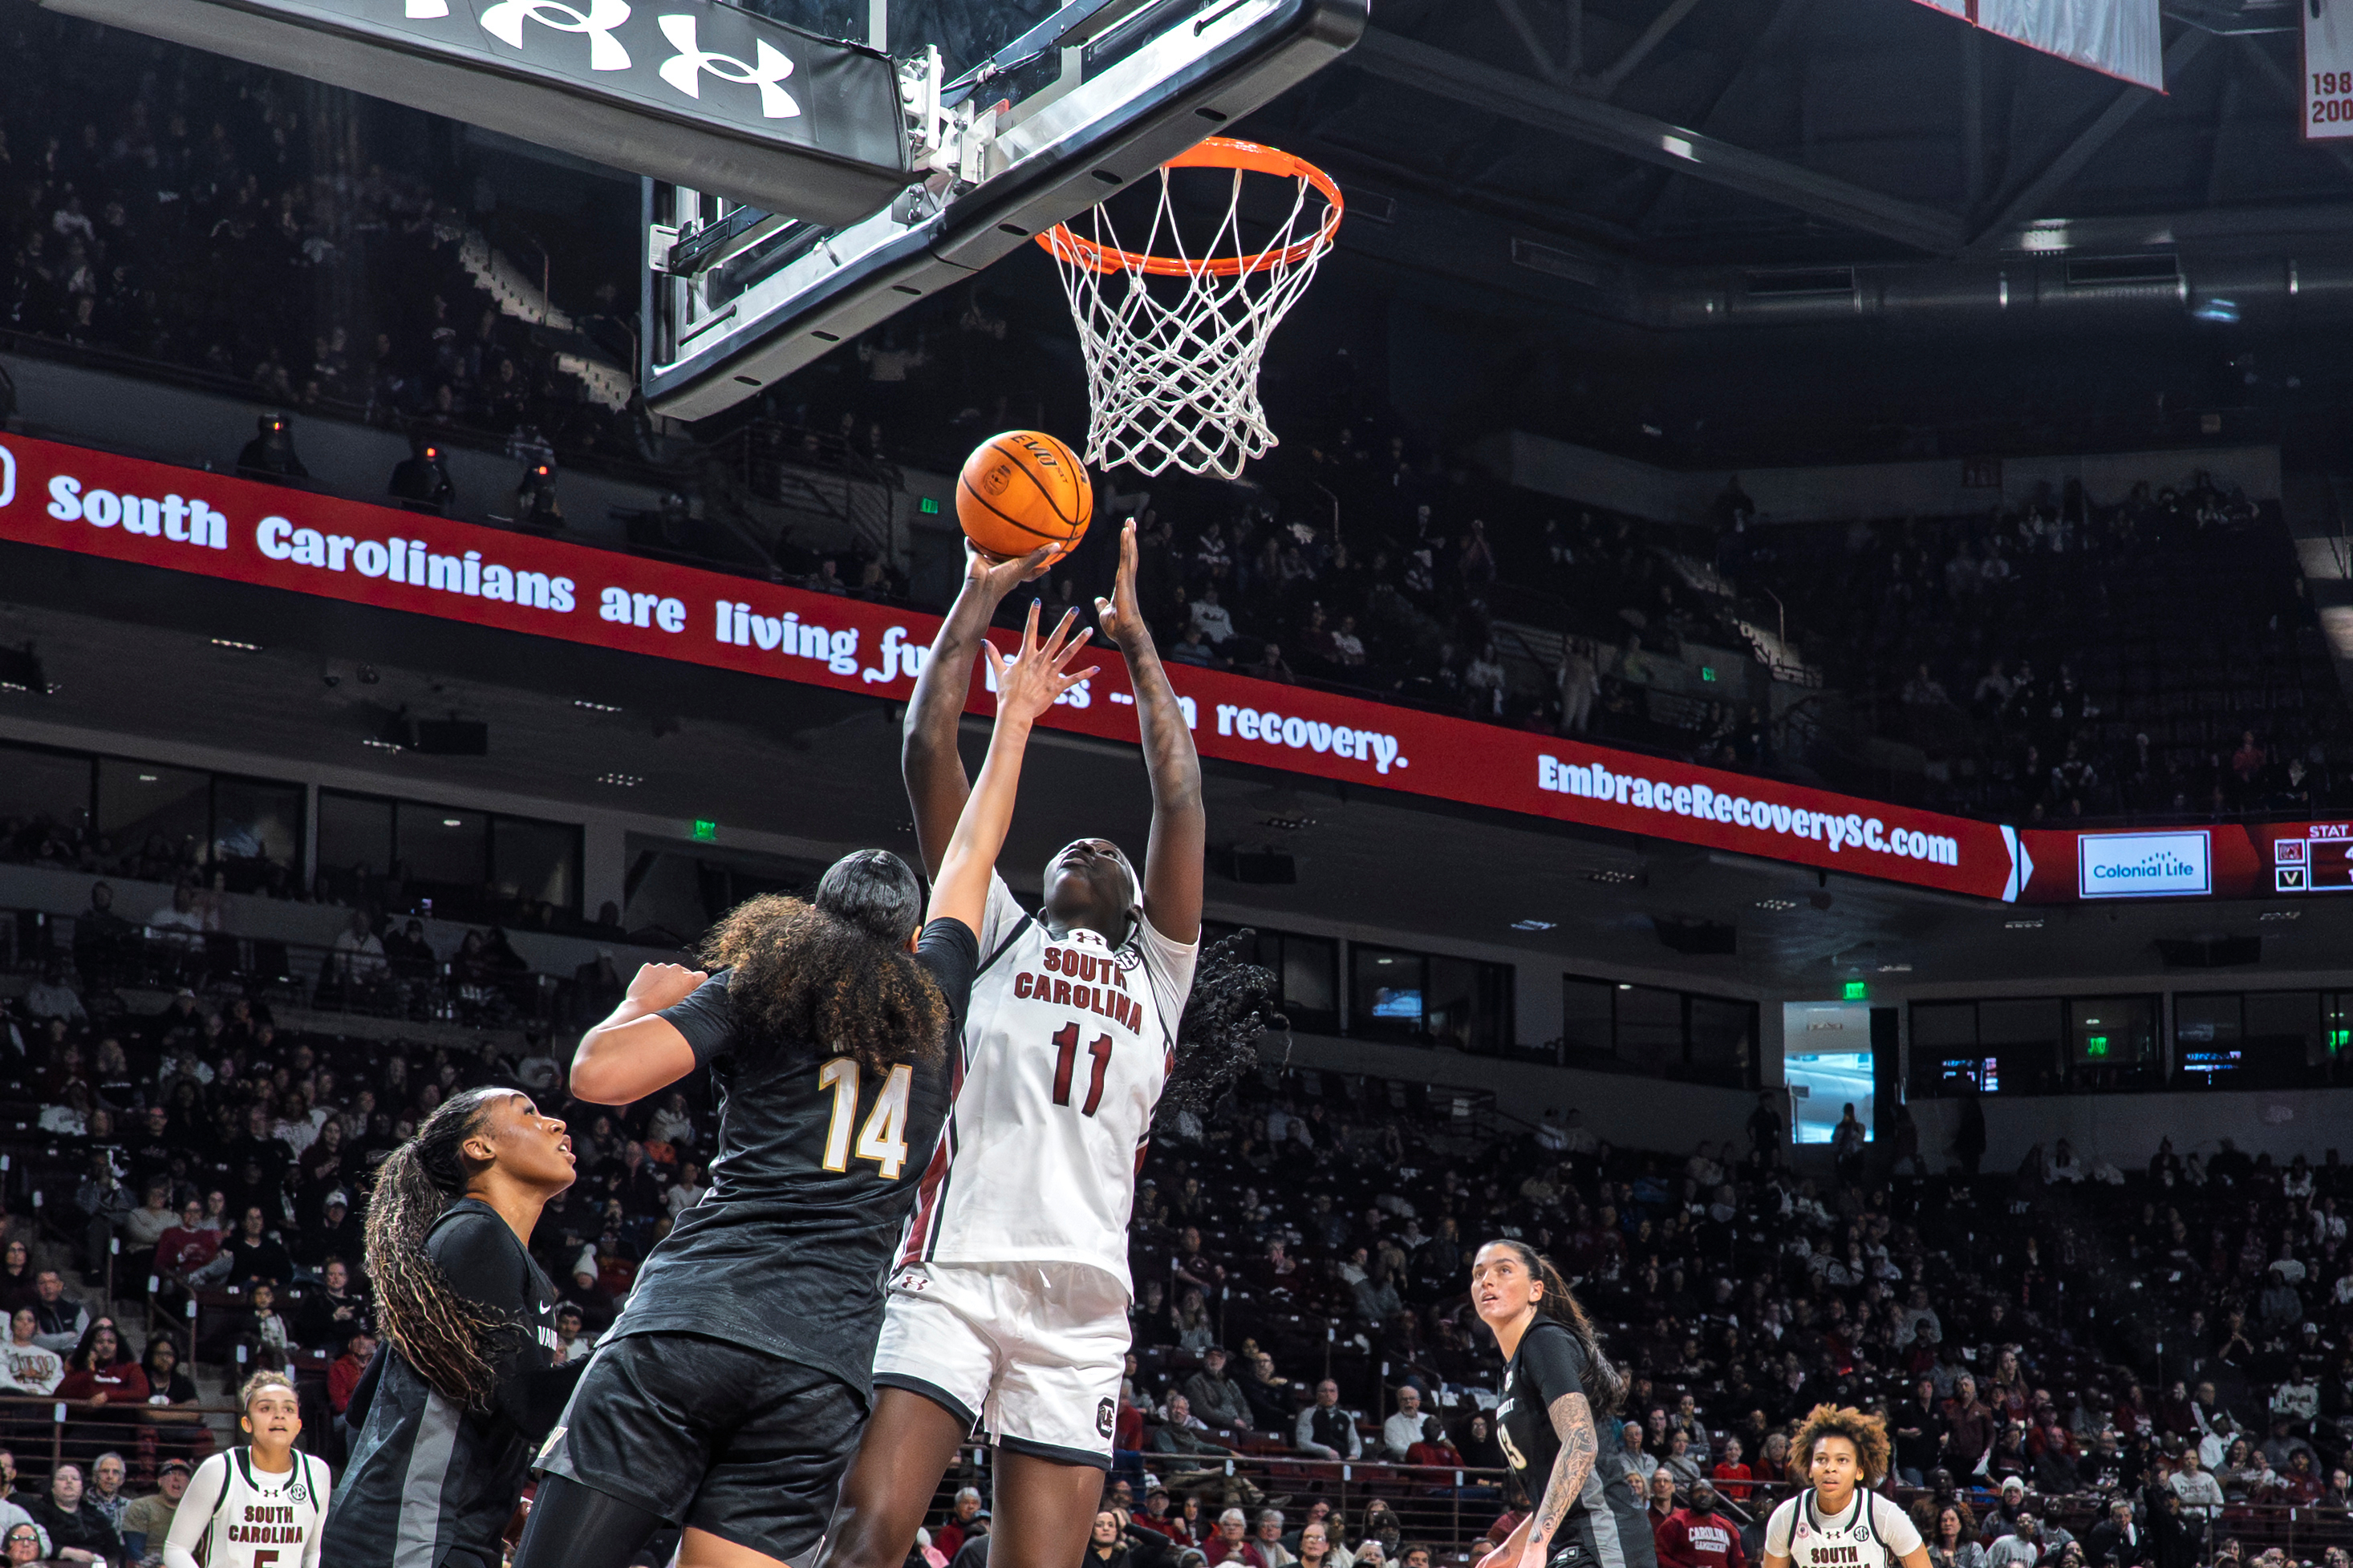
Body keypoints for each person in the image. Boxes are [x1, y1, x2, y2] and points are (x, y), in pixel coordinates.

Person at [513, 606, 1069, 1568]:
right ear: (909, 939)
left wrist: (632, 1004)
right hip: (822, 1367)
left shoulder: (763, 979)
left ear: (812, 920)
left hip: (695, 1319)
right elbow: (972, 853)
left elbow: (598, 1077)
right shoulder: (936, 989)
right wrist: (1016, 714)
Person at [820, 529, 1261, 1568]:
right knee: (867, 1533)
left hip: (1083, 1301)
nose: (1091, 843)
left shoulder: (1160, 970)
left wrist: (1141, 646)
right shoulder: (1000, 930)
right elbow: (929, 745)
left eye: (1111, 850)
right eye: (1074, 843)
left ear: (1142, 900)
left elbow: (1182, 797)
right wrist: (975, 595)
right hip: (958, 1266)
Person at [321, 1088, 580, 1568]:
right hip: (414, 1538)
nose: (556, 1124)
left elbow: (363, 1408)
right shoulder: (473, 1236)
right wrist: (631, 1344)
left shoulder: (488, 1247)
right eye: (529, 1112)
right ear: (480, 1148)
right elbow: (524, 1401)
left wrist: (490, 1501)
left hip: (431, 1533)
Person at [1467, 1239, 1656, 1568]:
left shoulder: (1544, 1340)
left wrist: (1537, 1543)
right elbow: (1553, 1488)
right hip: (1569, 1538)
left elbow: (1581, 1442)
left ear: (1535, 1291)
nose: (1487, 1280)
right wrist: (1513, 1548)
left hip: (1603, 1531)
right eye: (1478, 1273)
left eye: (1504, 1270)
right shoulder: (1512, 1369)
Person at [164, 1371, 329, 1568]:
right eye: (266, 1408)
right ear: (247, 1423)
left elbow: (314, 1552)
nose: (279, 1415)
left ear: (298, 1425)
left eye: (288, 1409)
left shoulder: (317, 1472)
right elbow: (175, 1549)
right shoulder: (219, 1470)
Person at [1760, 1407, 1931, 1568]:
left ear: (1859, 1471)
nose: (1830, 1468)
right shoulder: (1787, 1517)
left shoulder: (1884, 1514)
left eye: (1842, 1460)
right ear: (1810, 1468)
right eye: (1821, 1459)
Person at [22, 1463, 120, 1566]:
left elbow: (114, 1552)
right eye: (62, 1478)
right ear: (52, 1487)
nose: (69, 1482)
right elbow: (31, 1544)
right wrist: (64, 1552)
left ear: (82, 1487)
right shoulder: (37, 1512)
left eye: (74, 1478)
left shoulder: (97, 1516)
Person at [1653, 1481, 1744, 1568]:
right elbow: (1659, 1555)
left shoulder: (1727, 1526)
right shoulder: (1675, 1522)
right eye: (1698, 1491)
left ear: (1715, 1498)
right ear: (1690, 1496)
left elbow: (1739, 1561)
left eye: (1708, 1492)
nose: (1703, 1495)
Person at [121, 1460, 192, 1564]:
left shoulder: (194, 1512)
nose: (176, 1479)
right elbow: (134, 1552)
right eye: (170, 1473)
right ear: (160, 1481)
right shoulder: (142, 1506)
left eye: (182, 1475)